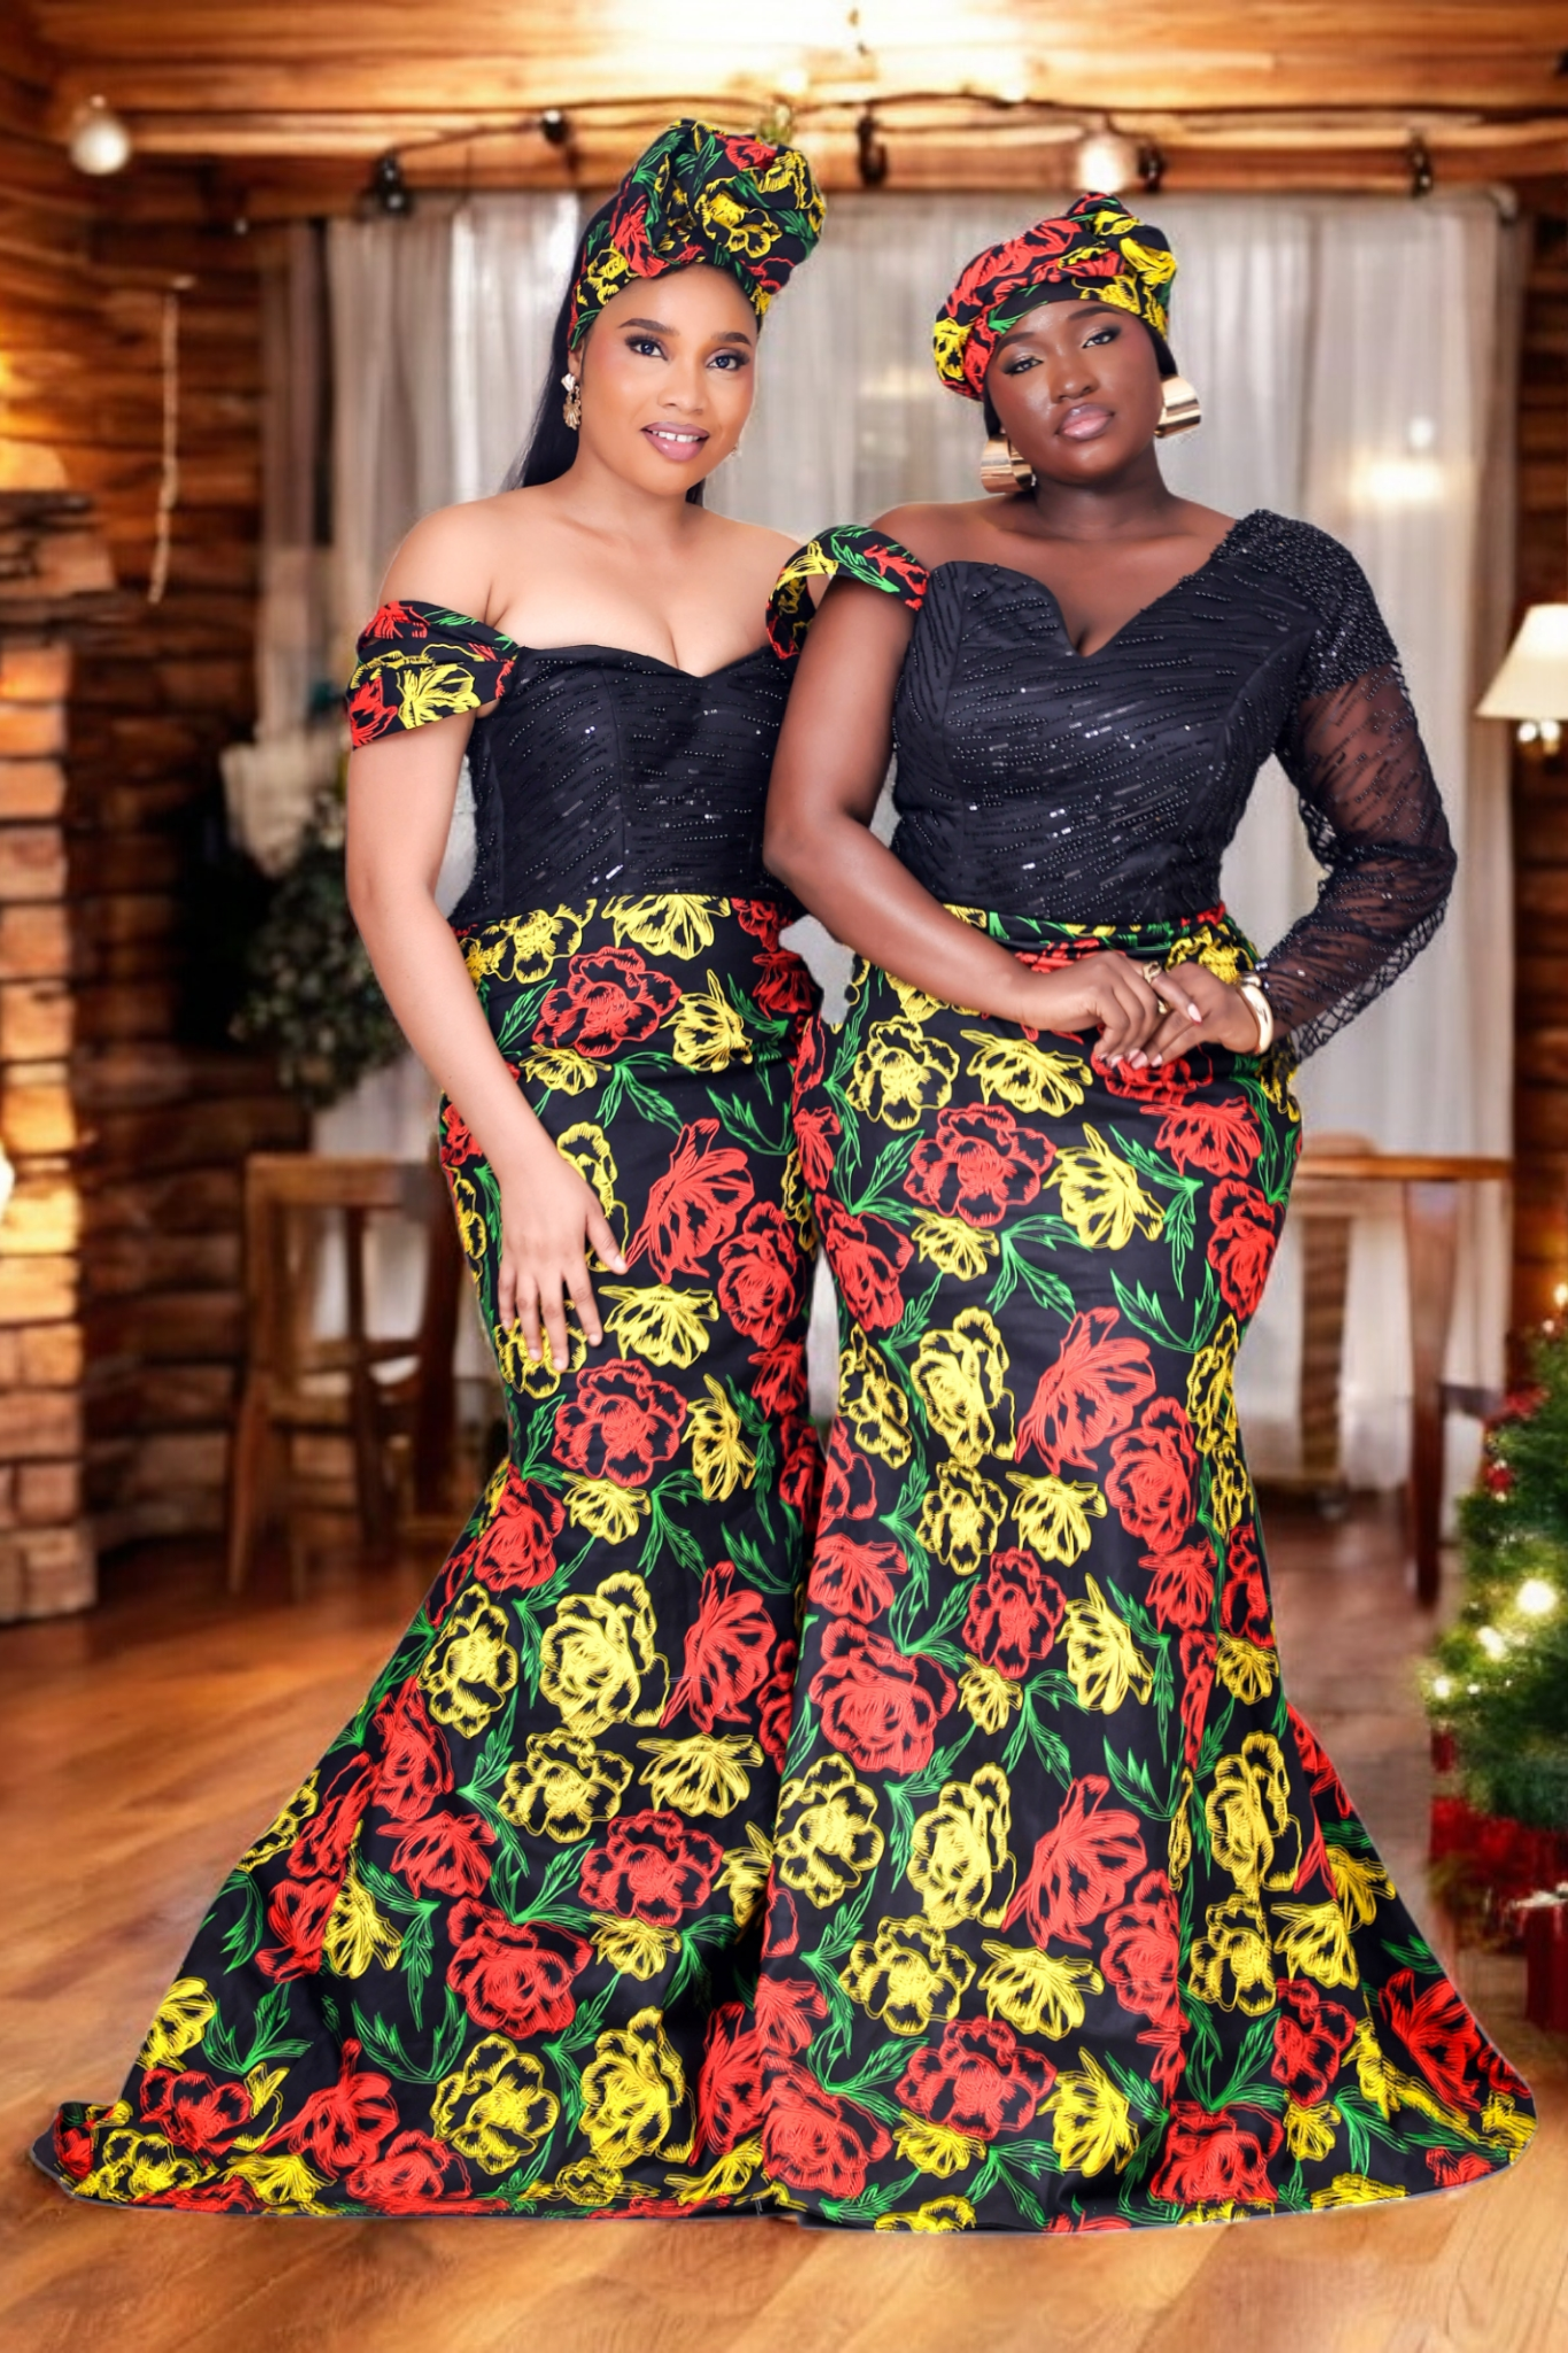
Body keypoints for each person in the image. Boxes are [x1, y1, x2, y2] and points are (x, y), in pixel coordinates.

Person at [36, 121, 826, 2220]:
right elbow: (397, 894)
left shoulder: (794, 578)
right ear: (582, 348)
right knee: (604, 1507)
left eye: (730, 355)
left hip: (756, 1091)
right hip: (560, 1098)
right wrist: (526, 1158)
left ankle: (698, 2004)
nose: (689, 389)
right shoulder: (462, 548)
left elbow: (850, 849)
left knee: (739, 1525)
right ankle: (458, 1983)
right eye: (651, 342)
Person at [752, 193, 1538, 2231]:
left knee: (1128, 1518)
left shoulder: (1289, 580)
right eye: (1020, 353)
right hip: (933, 1083)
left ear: (1158, 356)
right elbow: (810, 829)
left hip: (1168, 1103)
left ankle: (1135, 2029)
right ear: (981, 392)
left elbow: (1398, 848)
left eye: (1098, 334)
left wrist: (1254, 1004)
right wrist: (1005, 985)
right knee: (935, 1519)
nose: (1067, 374)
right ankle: (905, 2049)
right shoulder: (902, 562)